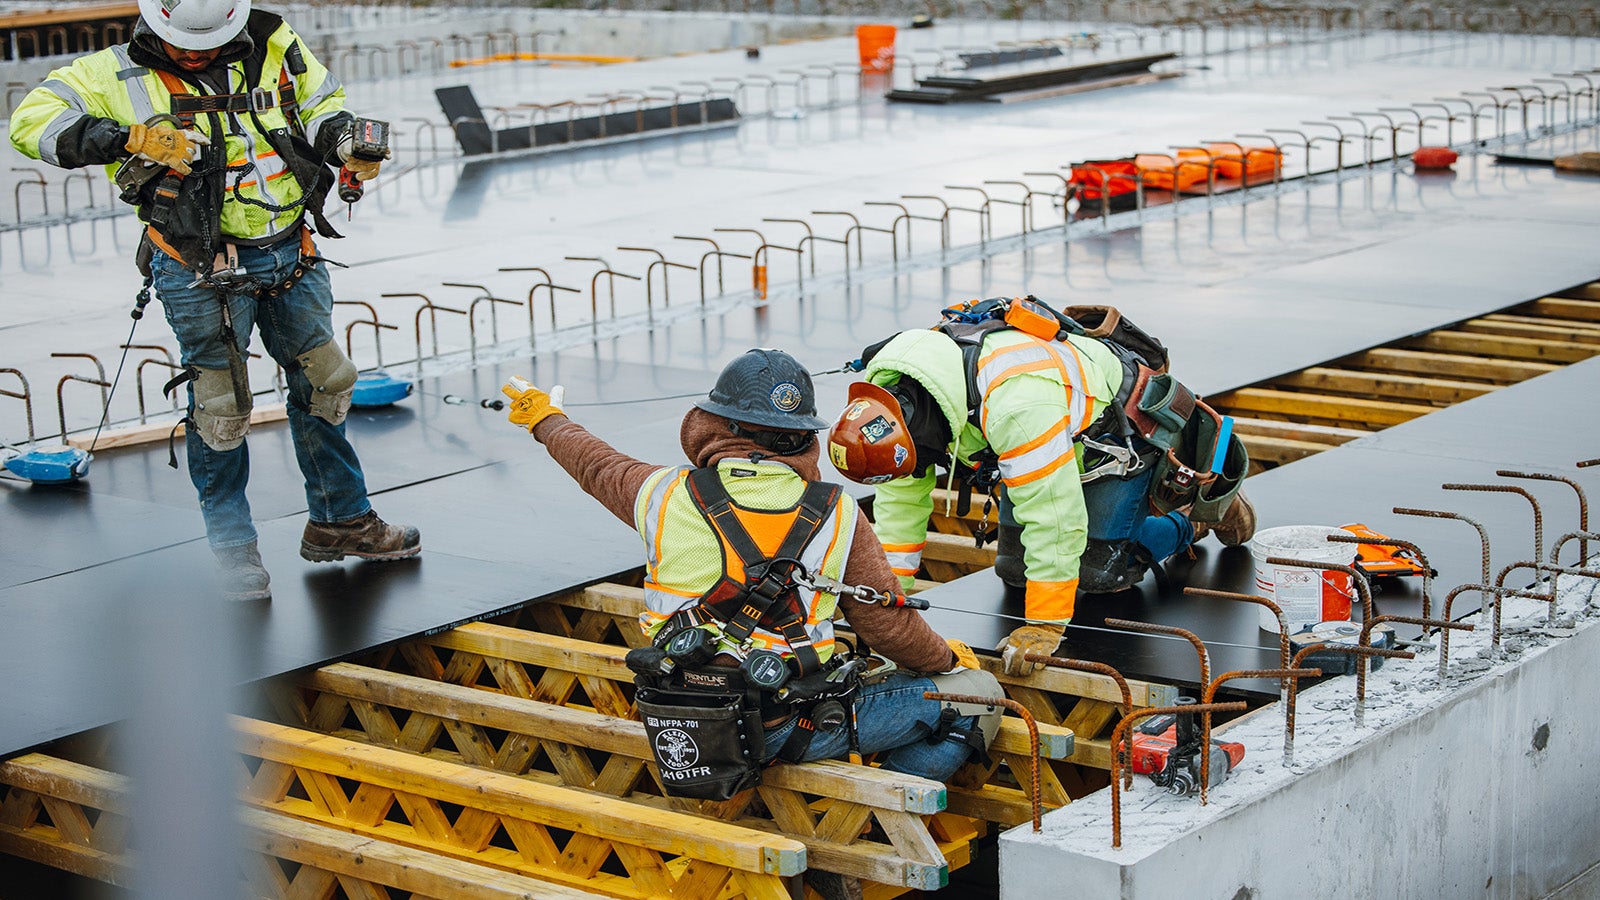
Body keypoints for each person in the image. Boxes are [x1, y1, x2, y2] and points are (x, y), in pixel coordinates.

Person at [10, 0, 418, 600]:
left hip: (290, 247)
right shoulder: (112, 72)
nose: (194, 53)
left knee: (327, 381)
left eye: (208, 42)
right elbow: (30, 123)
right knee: (220, 403)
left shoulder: (274, 42)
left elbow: (321, 105)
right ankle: (232, 551)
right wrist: (125, 138)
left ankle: (341, 521)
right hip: (198, 261)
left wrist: (344, 143)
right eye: (183, 44)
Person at [501, 349, 1003, 784]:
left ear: (714, 425)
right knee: (978, 698)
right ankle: (883, 817)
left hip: (676, 718)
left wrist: (545, 419)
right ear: (803, 437)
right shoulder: (836, 512)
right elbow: (887, 626)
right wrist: (945, 662)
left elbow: (594, 464)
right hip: (781, 727)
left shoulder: (659, 494)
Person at [827, 298, 1255, 676]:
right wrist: (886, 603)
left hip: (1113, 445)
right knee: (1014, 572)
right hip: (1037, 445)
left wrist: (1046, 624)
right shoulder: (890, 401)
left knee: (1100, 574)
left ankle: (1191, 520)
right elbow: (899, 511)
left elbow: (1055, 514)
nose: (917, 473)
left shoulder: (1016, 403)